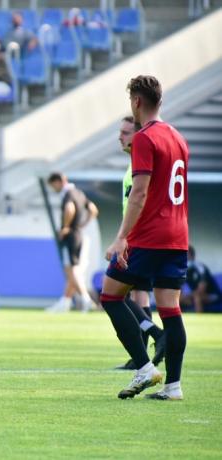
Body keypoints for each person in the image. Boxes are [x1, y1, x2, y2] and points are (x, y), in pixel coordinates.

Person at [101, 75, 189, 401]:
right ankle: (174, 387)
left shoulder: (144, 138)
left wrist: (121, 238)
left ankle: (144, 368)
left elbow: (139, 193)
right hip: (178, 235)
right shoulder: (179, 138)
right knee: (170, 308)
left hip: (150, 235)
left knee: (110, 295)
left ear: (136, 102)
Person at [114, 116, 165, 370]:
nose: (120, 136)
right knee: (139, 294)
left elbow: (140, 202)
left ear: (138, 135)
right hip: (136, 238)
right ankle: (142, 354)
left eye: (125, 132)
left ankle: (154, 335)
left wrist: (122, 238)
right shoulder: (133, 164)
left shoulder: (140, 165)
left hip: (137, 240)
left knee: (112, 293)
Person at [45, 172, 99, 313]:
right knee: (73, 269)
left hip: (70, 236)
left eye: (53, 185)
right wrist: (83, 224)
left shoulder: (67, 194)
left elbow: (70, 209)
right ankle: (65, 301)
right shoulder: (79, 193)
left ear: (57, 182)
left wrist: (66, 227)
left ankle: (86, 299)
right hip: (79, 233)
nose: (54, 189)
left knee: (71, 269)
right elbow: (93, 209)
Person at [181, 245, 222, 313]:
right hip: (195, 295)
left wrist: (189, 296)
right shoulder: (184, 270)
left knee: (197, 297)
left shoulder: (200, 268)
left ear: (192, 256)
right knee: (178, 299)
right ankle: (179, 321)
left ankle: (199, 319)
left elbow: (201, 290)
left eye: (186, 255)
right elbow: (179, 288)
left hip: (213, 295)